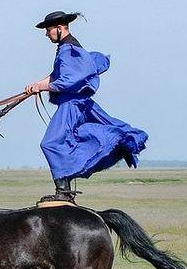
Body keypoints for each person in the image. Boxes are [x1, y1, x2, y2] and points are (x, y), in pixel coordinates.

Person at [23, 11, 148, 203]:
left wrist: (42, 86)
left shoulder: (69, 51)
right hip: (73, 104)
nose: (46, 35)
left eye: (48, 31)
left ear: (59, 28)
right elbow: (57, 76)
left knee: (50, 143)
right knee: (67, 140)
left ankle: (63, 190)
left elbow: (68, 80)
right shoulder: (67, 48)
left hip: (71, 105)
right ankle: (66, 184)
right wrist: (36, 85)